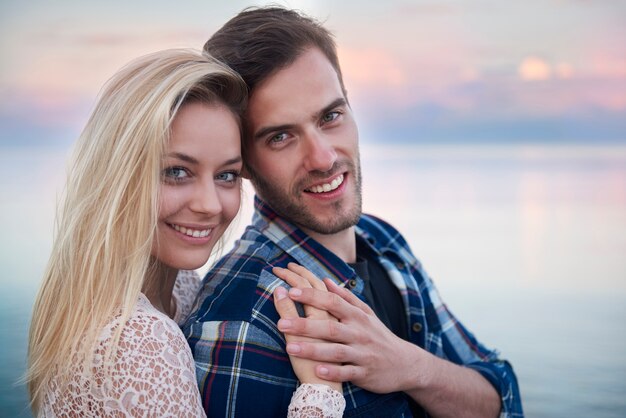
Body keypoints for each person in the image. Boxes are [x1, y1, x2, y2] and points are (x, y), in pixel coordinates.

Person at [183, 6, 523, 418]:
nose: (324, 158)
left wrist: (411, 367)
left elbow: (500, 397)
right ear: (245, 163)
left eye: (330, 116)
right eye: (281, 137)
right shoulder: (247, 317)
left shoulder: (383, 242)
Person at [26, 48, 345, 417]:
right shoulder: (140, 341)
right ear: (118, 175)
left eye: (226, 175)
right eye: (177, 172)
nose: (210, 205)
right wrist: (320, 391)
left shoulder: (176, 288)